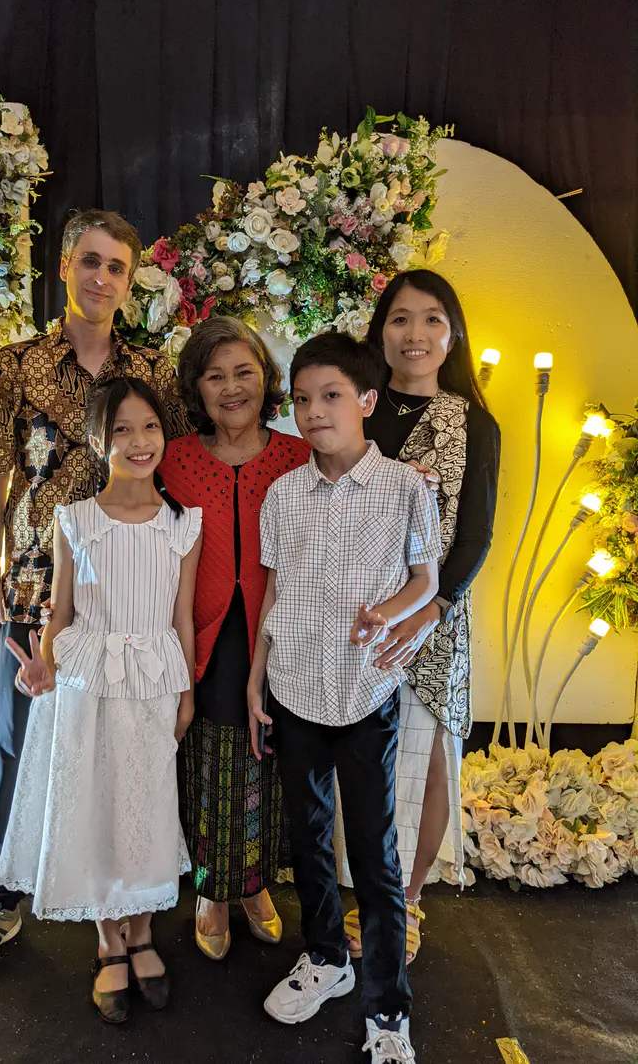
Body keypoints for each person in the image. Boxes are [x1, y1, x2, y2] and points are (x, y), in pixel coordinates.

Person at [0, 209, 191, 989]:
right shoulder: (14, 364)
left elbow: (177, 463)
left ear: (129, 281)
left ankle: (119, 903)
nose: (102, 277)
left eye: (117, 267)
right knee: (18, 749)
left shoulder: (152, 369)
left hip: (125, 600)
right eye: (90, 260)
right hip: (34, 584)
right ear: (64, 265)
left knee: (122, 757)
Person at [248, 332, 442, 1062]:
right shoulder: (283, 494)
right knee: (307, 841)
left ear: (365, 399)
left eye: (330, 395)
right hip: (295, 688)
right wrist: (256, 676)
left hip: (366, 693)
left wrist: (387, 612)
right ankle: (327, 957)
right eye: (302, 399)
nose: (314, 412)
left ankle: (388, 1009)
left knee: (374, 854)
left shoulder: (406, 488)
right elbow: (272, 592)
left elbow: (426, 580)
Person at [0, 377, 201, 1023]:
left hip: (154, 680)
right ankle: (109, 938)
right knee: (96, 804)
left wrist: (187, 691)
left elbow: (183, 617)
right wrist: (43, 666)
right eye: (121, 430)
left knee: (145, 804)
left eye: (149, 427)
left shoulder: (182, 524)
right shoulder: (74, 519)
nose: (139, 441)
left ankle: (142, 929)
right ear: (95, 439)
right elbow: (61, 614)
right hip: (88, 681)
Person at [339, 270, 501, 965]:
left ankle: (404, 902)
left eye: (432, 318)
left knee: (428, 757)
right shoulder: (356, 408)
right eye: (400, 318)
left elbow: (476, 533)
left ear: (452, 334)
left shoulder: (473, 423)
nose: (415, 333)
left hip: (435, 614)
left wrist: (433, 606)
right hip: (357, 611)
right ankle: (362, 894)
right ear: (381, 332)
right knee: (361, 759)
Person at [159, 317, 311, 960]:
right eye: (214, 376)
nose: (231, 388)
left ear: (266, 379)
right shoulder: (174, 459)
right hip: (204, 636)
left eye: (244, 372)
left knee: (269, 762)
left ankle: (254, 885)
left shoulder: (298, 455)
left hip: (283, 635)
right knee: (212, 765)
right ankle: (212, 890)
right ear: (196, 388)